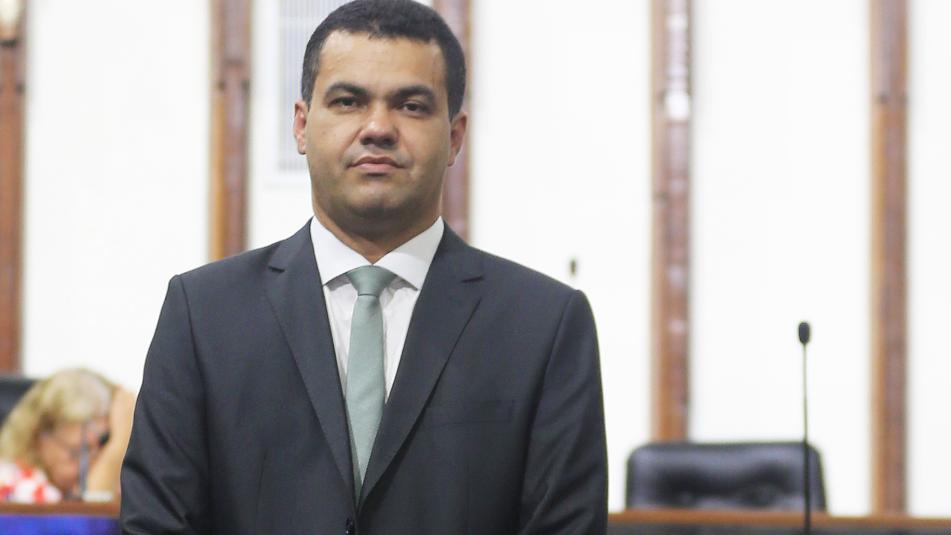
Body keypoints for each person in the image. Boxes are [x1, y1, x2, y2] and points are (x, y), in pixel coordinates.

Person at [120, 1, 607, 533]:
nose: (378, 128)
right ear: (302, 125)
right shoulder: (205, 315)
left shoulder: (543, 326)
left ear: (455, 136)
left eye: (411, 106)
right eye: (348, 102)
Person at [0, 368, 134, 503]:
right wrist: (117, 448)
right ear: (39, 439)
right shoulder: (15, 485)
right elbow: (87, 515)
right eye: (78, 452)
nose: (94, 464)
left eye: (103, 447)